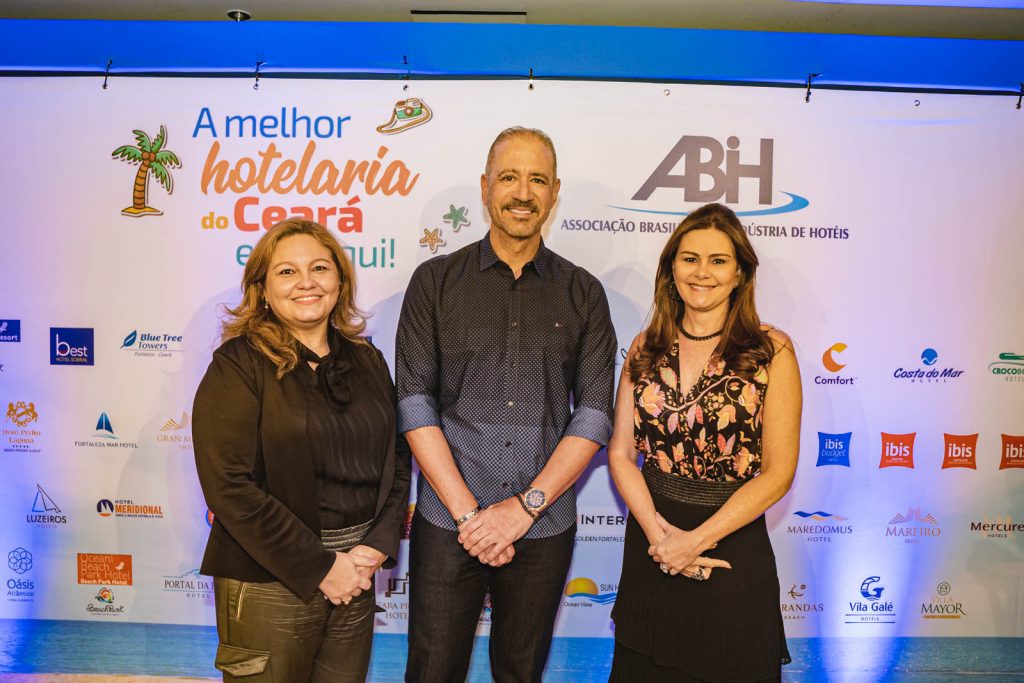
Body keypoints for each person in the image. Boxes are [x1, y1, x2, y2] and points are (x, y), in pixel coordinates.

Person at [396, 127, 617, 682]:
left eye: (537, 179)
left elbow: (594, 414)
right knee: (432, 672)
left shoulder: (584, 292)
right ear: (485, 187)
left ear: (554, 191)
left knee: (520, 673)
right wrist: (471, 517)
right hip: (449, 522)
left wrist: (524, 508)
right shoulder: (435, 282)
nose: (523, 192)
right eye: (510, 177)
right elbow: (414, 403)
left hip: (542, 525)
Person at [193, 219, 410, 682]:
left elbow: (397, 457)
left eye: (319, 268)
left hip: (357, 577)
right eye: (287, 272)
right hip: (269, 581)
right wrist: (322, 566)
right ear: (263, 289)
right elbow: (228, 486)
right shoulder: (237, 366)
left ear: (340, 282)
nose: (307, 282)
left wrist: (375, 546)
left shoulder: (367, 360)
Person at [608, 203, 801, 682]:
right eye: (690, 258)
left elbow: (779, 474)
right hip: (653, 547)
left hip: (730, 547)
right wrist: (661, 539)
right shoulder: (644, 347)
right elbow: (620, 452)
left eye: (719, 260)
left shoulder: (771, 351)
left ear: (740, 273)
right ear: (671, 269)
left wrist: (694, 542)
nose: (702, 273)